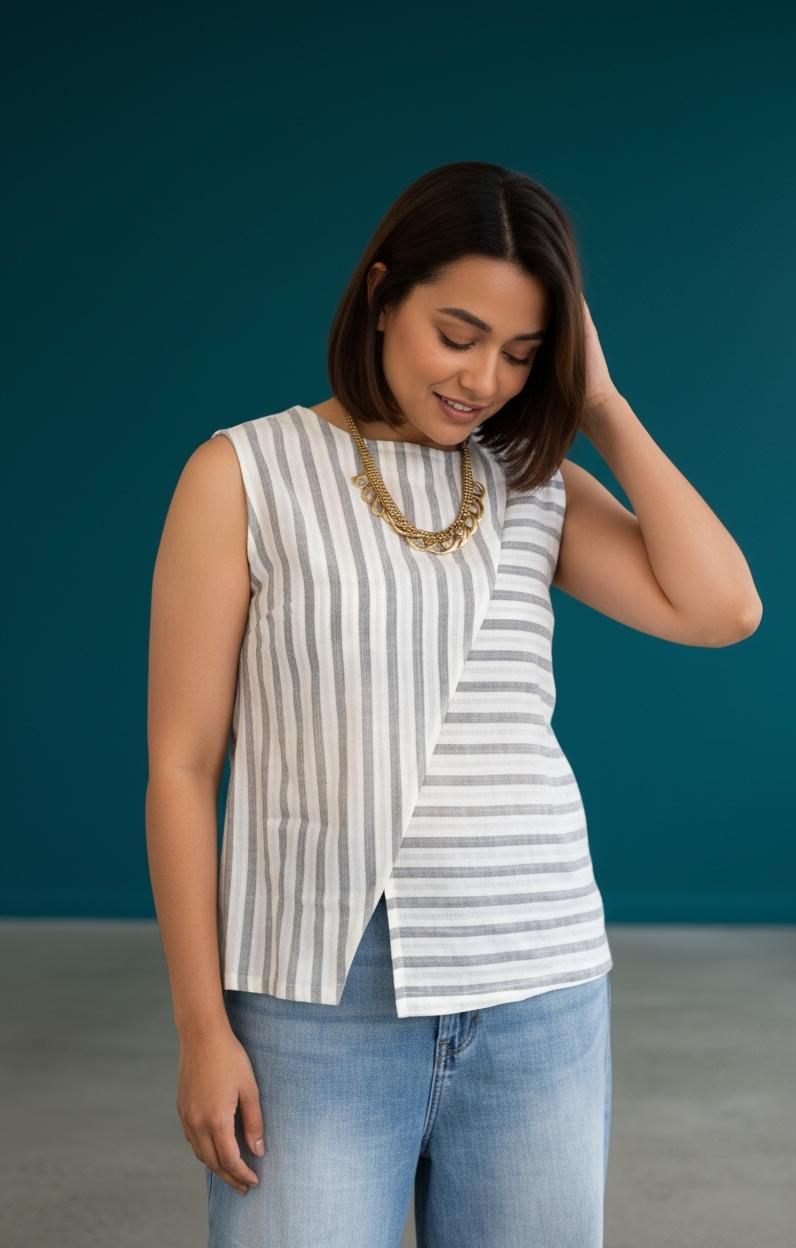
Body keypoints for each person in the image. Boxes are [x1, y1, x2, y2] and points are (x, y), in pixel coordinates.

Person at [145, 160, 763, 1247]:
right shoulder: (243, 473)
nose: (483, 378)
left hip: (541, 985)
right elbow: (185, 766)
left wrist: (601, 407)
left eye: (523, 354)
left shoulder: (534, 482)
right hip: (317, 999)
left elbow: (721, 611)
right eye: (457, 333)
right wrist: (203, 1027)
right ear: (383, 296)